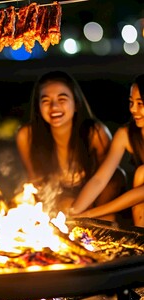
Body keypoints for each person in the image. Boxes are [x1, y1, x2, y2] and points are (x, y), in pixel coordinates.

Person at [16, 70, 126, 220]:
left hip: (99, 197)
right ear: (38, 107)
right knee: (65, 206)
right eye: (46, 101)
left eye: (62, 99)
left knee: (115, 179)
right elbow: (35, 181)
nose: (54, 106)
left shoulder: (95, 133)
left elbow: (108, 177)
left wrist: (88, 208)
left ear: (75, 104)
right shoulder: (27, 136)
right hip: (57, 197)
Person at [70, 74, 144, 227]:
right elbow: (100, 179)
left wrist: (90, 214)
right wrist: (74, 213)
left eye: (140, 104)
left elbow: (141, 192)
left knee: (141, 173)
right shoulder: (126, 135)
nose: (133, 109)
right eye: (131, 102)